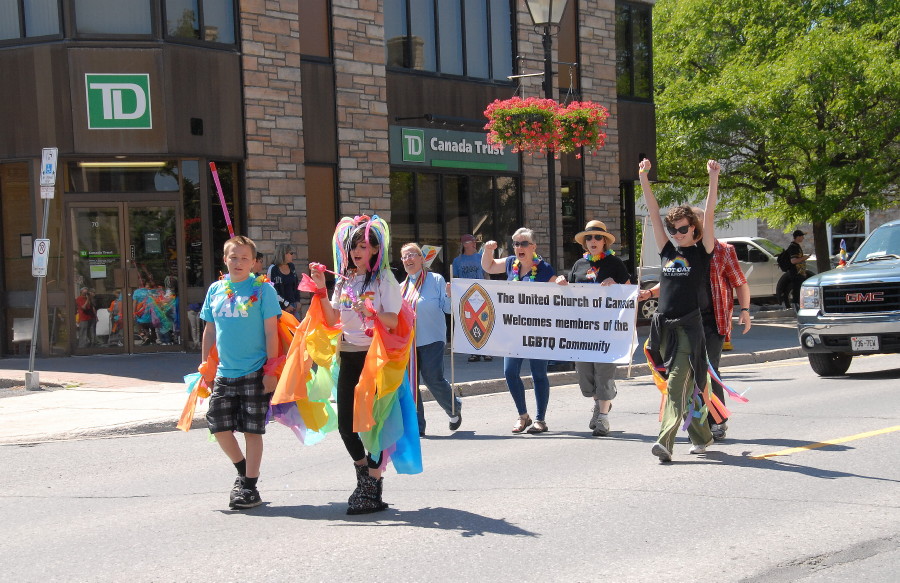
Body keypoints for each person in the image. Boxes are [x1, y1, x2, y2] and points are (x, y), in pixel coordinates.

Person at [308, 215, 405, 514]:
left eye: (364, 246)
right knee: (346, 426)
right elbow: (335, 319)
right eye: (354, 247)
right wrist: (321, 288)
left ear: (376, 250)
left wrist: (373, 312)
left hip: (376, 357)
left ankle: (372, 485)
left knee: (374, 423)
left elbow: (394, 321)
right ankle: (364, 476)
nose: (358, 252)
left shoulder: (384, 279)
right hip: (348, 355)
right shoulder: (345, 280)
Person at [639, 210, 752, 441]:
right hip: (684, 319)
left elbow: (739, 282)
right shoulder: (679, 251)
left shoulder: (722, 250)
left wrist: (746, 311)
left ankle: (716, 421)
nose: (682, 231)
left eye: (689, 225)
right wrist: (650, 292)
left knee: (708, 368)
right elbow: (673, 278)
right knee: (684, 372)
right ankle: (698, 427)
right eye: (677, 228)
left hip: (712, 320)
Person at [639, 157, 719, 462]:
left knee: (675, 383)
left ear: (693, 228)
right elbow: (653, 215)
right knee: (683, 384)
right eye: (674, 229)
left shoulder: (702, 251)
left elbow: (709, 213)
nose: (676, 233)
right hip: (663, 328)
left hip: (688, 327)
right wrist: (644, 178)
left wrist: (712, 178)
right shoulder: (668, 249)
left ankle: (665, 442)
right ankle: (703, 435)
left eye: (683, 228)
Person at [199, 235, 281, 509]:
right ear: (225, 259)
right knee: (218, 426)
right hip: (224, 373)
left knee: (252, 431)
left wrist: (271, 370)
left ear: (255, 262)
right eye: (233, 257)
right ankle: (243, 472)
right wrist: (206, 369)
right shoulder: (215, 290)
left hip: (255, 371)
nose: (238, 262)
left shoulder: (262, 290)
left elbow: (271, 332)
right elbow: (209, 330)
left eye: (245, 257)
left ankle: (249, 485)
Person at [555, 220, 630, 436]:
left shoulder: (615, 264)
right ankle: (599, 405)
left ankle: (603, 418)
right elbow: (570, 294)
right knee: (586, 377)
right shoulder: (579, 265)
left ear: (605, 241)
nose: (593, 241)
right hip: (581, 331)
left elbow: (629, 293)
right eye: (589, 237)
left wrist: (615, 287)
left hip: (607, 330)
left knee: (604, 374)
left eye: (598, 237)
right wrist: (562, 284)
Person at [481, 228, 555, 434]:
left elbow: (559, 293)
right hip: (513, 330)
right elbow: (488, 265)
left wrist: (560, 283)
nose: (519, 247)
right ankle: (523, 416)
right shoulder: (510, 263)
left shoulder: (544, 268)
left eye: (523, 244)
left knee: (538, 373)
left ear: (533, 247)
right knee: (509, 372)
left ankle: (540, 419)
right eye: (515, 243)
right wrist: (487, 250)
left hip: (538, 329)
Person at [400, 242, 463, 436]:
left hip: (432, 339)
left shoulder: (436, 280)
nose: (408, 259)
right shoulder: (401, 287)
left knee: (432, 378)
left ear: (421, 258)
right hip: (408, 344)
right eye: (404, 257)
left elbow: (447, 309)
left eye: (412, 255)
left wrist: (451, 296)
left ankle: (454, 408)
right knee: (411, 385)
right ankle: (418, 427)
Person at [452, 234, 492, 362]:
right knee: (470, 323)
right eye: (471, 242)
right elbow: (455, 279)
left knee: (484, 322)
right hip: (466, 297)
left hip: (481, 294)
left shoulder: (481, 258)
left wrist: (489, 291)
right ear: (464, 244)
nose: (474, 244)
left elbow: (487, 275)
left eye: (475, 242)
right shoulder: (457, 261)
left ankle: (486, 351)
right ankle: (473, 352)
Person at [268, 244, 301, 315]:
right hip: (280, 308)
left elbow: (296, 285)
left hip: (293, 306)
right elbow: (271, 289)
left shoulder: (292, 267)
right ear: (283, 254)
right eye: (291, 253)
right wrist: (285, 304)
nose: (293, 255)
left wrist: (298, 301)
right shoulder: (273, 269)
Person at [784, 230, 812, 310]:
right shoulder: (793, 247)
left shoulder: (797, 246)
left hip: (800, 272)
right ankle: (796, 307)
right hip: (796, 273)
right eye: (802, 236)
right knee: (797, 291)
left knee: (799, 290)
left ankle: (799, 306)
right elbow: (793, 261)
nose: (803, 238)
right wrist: (804, 258)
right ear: (798, 237)